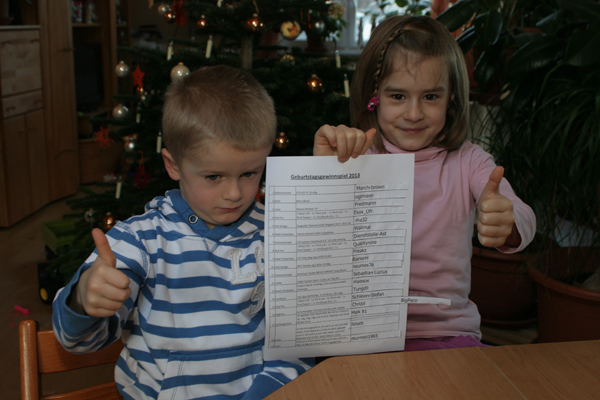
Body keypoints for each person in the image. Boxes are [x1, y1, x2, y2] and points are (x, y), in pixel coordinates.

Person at [53, 65, 313, 399]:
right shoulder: (139, 241)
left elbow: (294, 347)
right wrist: (82, 299)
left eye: (250, 173)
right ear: (173, 165)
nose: (234, 194)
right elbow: (77, 341)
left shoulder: (278, 233)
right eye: (214, 177)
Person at [313, 16, 536, 351]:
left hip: (446, 333)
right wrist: (323, 172)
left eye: (430, 96)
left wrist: (508, 221)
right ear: (374, 96)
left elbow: (523, 215)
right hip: (358, 332)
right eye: (398, 96)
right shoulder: (353, 157)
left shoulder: (469, 161)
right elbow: (316, 243)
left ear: (452, 98)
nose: (414, 114)